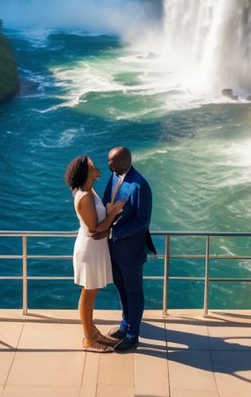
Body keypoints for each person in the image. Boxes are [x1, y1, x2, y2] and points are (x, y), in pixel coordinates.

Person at [65, 154, 126, 353]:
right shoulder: (84, 196)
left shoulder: (90, 191)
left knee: (92, 291)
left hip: (95, 247)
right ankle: (88, 339)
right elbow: (95, 227)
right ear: (86, 173)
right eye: (93, 167)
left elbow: (98, 225)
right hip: (90, 248)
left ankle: (93, 332)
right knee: (89, 293)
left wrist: (107, 211)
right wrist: (114, 212)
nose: (96, 168)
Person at [100, 146, 155, 353]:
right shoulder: (114, 176)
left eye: (111, 162)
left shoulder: (141, 186)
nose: (108, 165)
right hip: (113, 248)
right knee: (121, 287)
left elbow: (143, 220)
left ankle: (133, 335)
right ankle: (125, 324)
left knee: (133, 291)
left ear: (124, 162)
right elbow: (108, 202)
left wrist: (114, 233)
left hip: (131, 250)